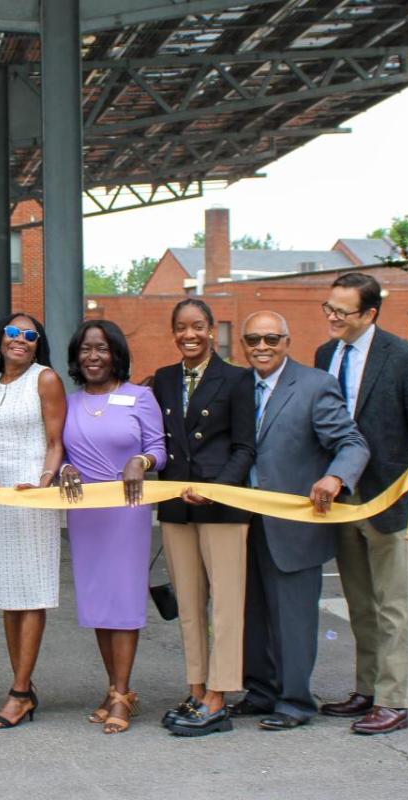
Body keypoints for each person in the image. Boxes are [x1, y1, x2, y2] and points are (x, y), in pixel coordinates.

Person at [314, 273, 408, 734]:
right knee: (360, 604)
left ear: (369, 314)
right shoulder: (325, 355)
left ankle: (394, 701)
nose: (331, 317)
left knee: (392, 605)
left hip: (386, 499)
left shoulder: (404, 357)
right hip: (343, 500)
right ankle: (366, 690)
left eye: (341, 311)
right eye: (328, 308)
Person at [227, 311, 369, 731]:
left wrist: (334, 476)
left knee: (292, 618)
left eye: (272, 338)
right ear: (243, 345)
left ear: (287, 341)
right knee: (251, 613)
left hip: (294, 523)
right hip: (242, 520)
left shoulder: (314, 385)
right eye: (253, 339)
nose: (262, 347)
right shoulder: (238, 386)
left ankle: (294, 701)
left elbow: (351, 442)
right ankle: (261, 691)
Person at [151, 299, 255, 736]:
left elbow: (245, 447)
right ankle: (196, 688)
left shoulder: (237, 379)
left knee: (226, 606)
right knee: (190, 605)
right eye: (180, 327)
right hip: (176, 505)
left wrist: (214, 489)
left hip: (223, 505)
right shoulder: (164, 379)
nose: (188, 334)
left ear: (212, 330)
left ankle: (219, 696)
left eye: (197, 326)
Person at [58, 320, 165, 735]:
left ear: (115, 352)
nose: (93, 357)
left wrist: (143, 461)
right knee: (99, 603)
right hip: (85, 514)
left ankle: (122, 693)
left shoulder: (140, 397)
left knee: (123, 602)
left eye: (101, 348)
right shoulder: (69, 402)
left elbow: (159, 449)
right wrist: (65, 467)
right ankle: (115, 687)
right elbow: (60, 450)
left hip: (127, 511)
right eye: (85, 349)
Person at [0, 313, 65, 729]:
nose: (21, 340)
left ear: (37, 344)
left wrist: (45, 481)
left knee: (33, 591)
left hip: (33, 492)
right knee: (10, 595)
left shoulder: (45, 379)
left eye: (31, 335)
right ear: (0, 338)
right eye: (13, 332)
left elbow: (55, 441)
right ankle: (21, 685)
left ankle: (20, 692)